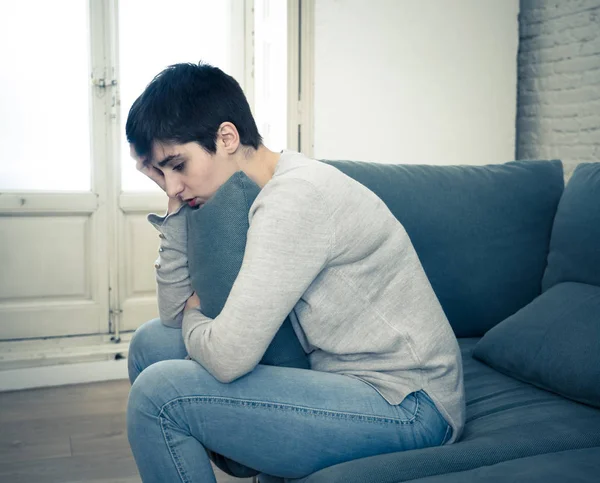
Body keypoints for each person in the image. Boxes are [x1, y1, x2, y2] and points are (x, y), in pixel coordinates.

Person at [125, 62, 465, 483]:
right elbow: (171, 313)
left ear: (226, 137)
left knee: (159, 397)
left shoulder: (296, 199)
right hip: (343, 380)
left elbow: (226, 357)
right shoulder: (251, 193)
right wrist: (175, 208)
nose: (173, 185)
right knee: (151, 343)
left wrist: (196, 316)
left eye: (178, 165)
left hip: (408, 404)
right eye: (162, 173)